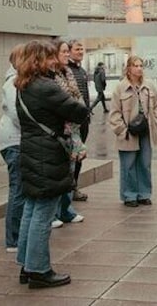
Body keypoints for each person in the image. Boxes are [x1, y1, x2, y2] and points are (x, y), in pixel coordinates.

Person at [14, 40, 88, 288]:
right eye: (49, 58)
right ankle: (38, 270)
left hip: (32, 152)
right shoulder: (46, 86)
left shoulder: (23, 85)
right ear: (38, 60)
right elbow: (78, 111)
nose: (54, 61)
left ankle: (26, 265)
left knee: (32, 208)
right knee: (43, 214)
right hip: (47, 154)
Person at [110, 55, 157, 207]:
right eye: (136, 65)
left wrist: (156, 120)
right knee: (128, 164)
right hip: (128, 131)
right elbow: (114, 113)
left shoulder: (149, 85)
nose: (139, 68)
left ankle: (144, 193)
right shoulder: (120, 87)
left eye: (141, 65)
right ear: (129, 68)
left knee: (145, 163)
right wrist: (122, 130)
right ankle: (129, 195)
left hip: (146, 130)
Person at [0, 44, 25, 253]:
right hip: (15, 141)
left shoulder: (19, 81)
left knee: (20, 188)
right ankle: (13, 238)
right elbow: (17, 114)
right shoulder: (13, 84)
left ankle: (17, 235)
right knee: (18, 189)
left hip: (18, 140)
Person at [52, 40, 85, 226]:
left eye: (67, 51)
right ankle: (55, 213)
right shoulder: (51, 76)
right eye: (63, 51)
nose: (66, 54)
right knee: (61, 173)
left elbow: (77, 97)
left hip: (73, 128)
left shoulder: (69, 73)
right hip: (62, 129)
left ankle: (66, 210)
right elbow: (63, 102)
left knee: (70, 172)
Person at [67, 40, 92, 202]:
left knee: (80, 155)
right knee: (72, 155)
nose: (81, 52)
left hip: (84, 120)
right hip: (72, 122)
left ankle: (75, 186)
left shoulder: (81, 70)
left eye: (82, 49)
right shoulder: (66, 70)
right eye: (77, 49)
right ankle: (70, 189)